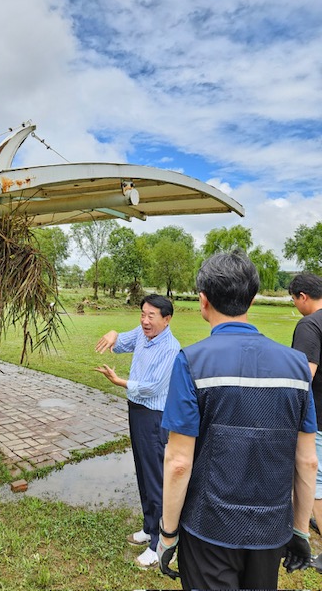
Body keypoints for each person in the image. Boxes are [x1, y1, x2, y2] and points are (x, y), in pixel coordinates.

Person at [157, 251, 317, 589]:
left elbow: (178, 462)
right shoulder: (297, 366)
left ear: (203, 300)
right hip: (271, 529)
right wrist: (301, 529)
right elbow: (306, 460)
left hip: (208, 528)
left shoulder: (191, 362)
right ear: (253, 298)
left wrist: (168, 533)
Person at [95, 294, 180, 569]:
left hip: (154, 416)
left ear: (166, 320)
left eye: (151, 316)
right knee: (143, 471)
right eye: (142, 314)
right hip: (137, 411)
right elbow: (123, 342)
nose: (145, 321)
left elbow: (153, 387)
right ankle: (148, 526)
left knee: (155, 477)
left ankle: (160, 544)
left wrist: (120, 381)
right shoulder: (144, 334)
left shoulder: (171, 348)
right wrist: (113, 333)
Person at [289, 272, 322, 570]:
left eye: (294, 299)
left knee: (316, 481)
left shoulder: (309, 325)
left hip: (318, 416)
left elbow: (304, 378)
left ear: (302, 296)